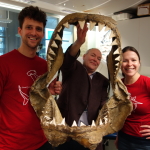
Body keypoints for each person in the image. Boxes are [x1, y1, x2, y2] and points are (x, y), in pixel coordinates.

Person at [0, 6, 62, 150]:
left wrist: (49, 93)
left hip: (42, 142)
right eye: (29, 27)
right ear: (20, 30)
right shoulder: (3, 63)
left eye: (38, 29)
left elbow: (42, 102)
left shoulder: (45, 66)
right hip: (10, 144)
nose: (34, 33)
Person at [55, 23, 109, 150]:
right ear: (84, 57)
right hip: (67, 133)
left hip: (89, 136)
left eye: (99, 58)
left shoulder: (102, 81)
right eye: (93, 55)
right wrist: (79, 42)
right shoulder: (73, 70)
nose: (95, 59)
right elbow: (69, 58)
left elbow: (103, 103)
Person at [115, 46, 150, 150]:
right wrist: (118, 135)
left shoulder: (147, 83)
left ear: (139, 63)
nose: (129, 64)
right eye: (125, 61)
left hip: (145, 142)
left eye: (133, 60)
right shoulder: (119, 85)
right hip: (124, 138)